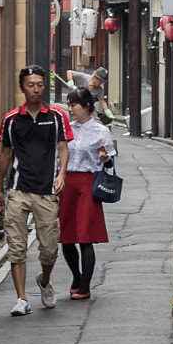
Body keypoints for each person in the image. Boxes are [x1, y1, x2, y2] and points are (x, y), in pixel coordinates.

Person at [0, 65, 70, 315]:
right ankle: (21, 298)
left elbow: (63, 148)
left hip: (46, 190)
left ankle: (45, 280)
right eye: (31, 85)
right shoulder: (11, 119)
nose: (36, 89)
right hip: (17, 189)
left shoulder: (56, 116)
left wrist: (61, 174)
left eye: (40, 84)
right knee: (16, 246)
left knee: (49, 248)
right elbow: (5, 154)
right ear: (22, 88)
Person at [58, 89, 116, 299]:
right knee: (66, 237)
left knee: (85, 237)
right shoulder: (65, 130)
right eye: (69, 104)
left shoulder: (100, 131)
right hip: (66, 182)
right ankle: (76, 276)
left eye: (74, 105)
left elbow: (110, 162)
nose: (70, 109)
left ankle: (85, 285)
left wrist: (104, 158)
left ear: (86, 106)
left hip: (88, 183)